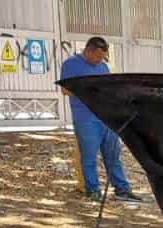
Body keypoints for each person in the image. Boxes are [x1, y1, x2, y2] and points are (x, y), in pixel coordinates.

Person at [61, 37, 144, 202]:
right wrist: (88, 95)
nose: (100, 60)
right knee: (89, 156)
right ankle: (93, 190)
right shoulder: (70, 64)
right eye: (98, 56)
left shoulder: (103, 67)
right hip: (85, 118)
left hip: (106, 117)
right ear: (89, 50)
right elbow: (65, 90)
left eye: (103, 57)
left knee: (113, 155)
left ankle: (122, 189)